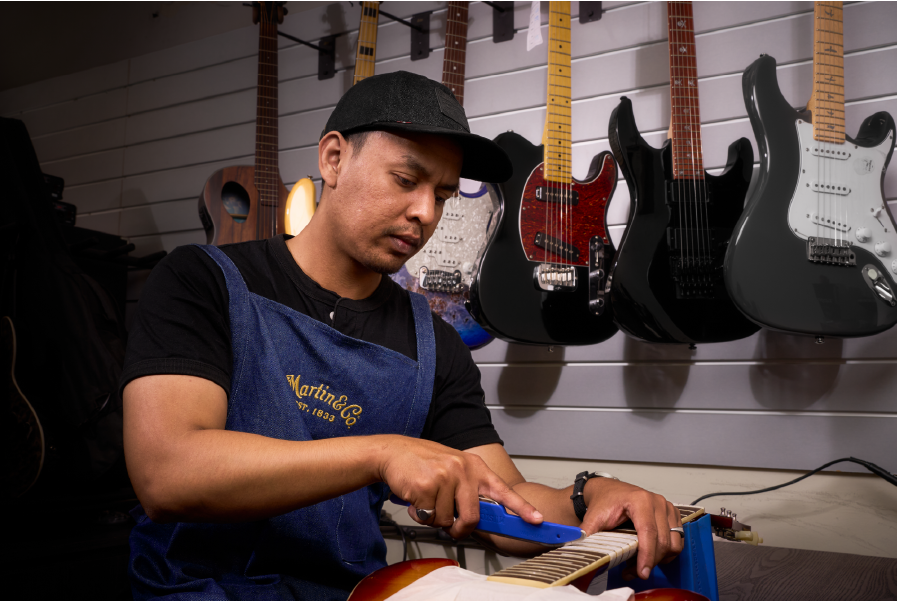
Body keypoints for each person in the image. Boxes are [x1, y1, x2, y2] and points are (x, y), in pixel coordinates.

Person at [121, 71, 683, 601]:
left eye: (442, 194)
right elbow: (168, 474)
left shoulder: (432, 344)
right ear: (334, 159)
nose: (424, 213)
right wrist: (382, 454)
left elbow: (507, 506)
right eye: (406, 180)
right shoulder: (203, 282)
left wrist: (589, 495)